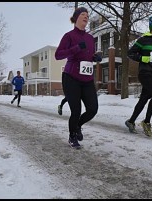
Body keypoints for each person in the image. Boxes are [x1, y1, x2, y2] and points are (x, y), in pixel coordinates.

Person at [55, 7, 102, 149]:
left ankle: (78, 126)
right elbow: (58, 55)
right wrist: (75, 48)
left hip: (87, 79)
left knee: (92, 109)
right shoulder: (69, 36)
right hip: (71, 77)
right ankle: (72, 136)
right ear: (76, 18)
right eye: (83, 14)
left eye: (87, 15)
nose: (86, 17)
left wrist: (94, 58)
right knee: (76, 110)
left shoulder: (89, 38)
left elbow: (87, 56)